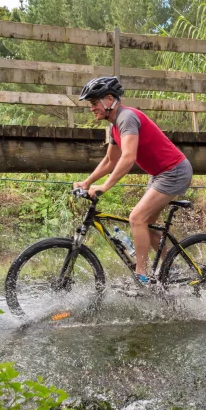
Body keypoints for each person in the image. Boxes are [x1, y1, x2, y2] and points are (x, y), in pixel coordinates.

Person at [72, 76, 193, 285]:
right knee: (149, 225)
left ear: (109, 99)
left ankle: (141, 276)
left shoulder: (126, 118)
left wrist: (104, 186)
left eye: (94, 103)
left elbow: (128, 157)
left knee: (137, 218)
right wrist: (87, 182)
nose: (91, 108)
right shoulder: (115, 126)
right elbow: (111, 160)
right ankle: (172, 269)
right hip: (159, 174)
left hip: (174, 171)